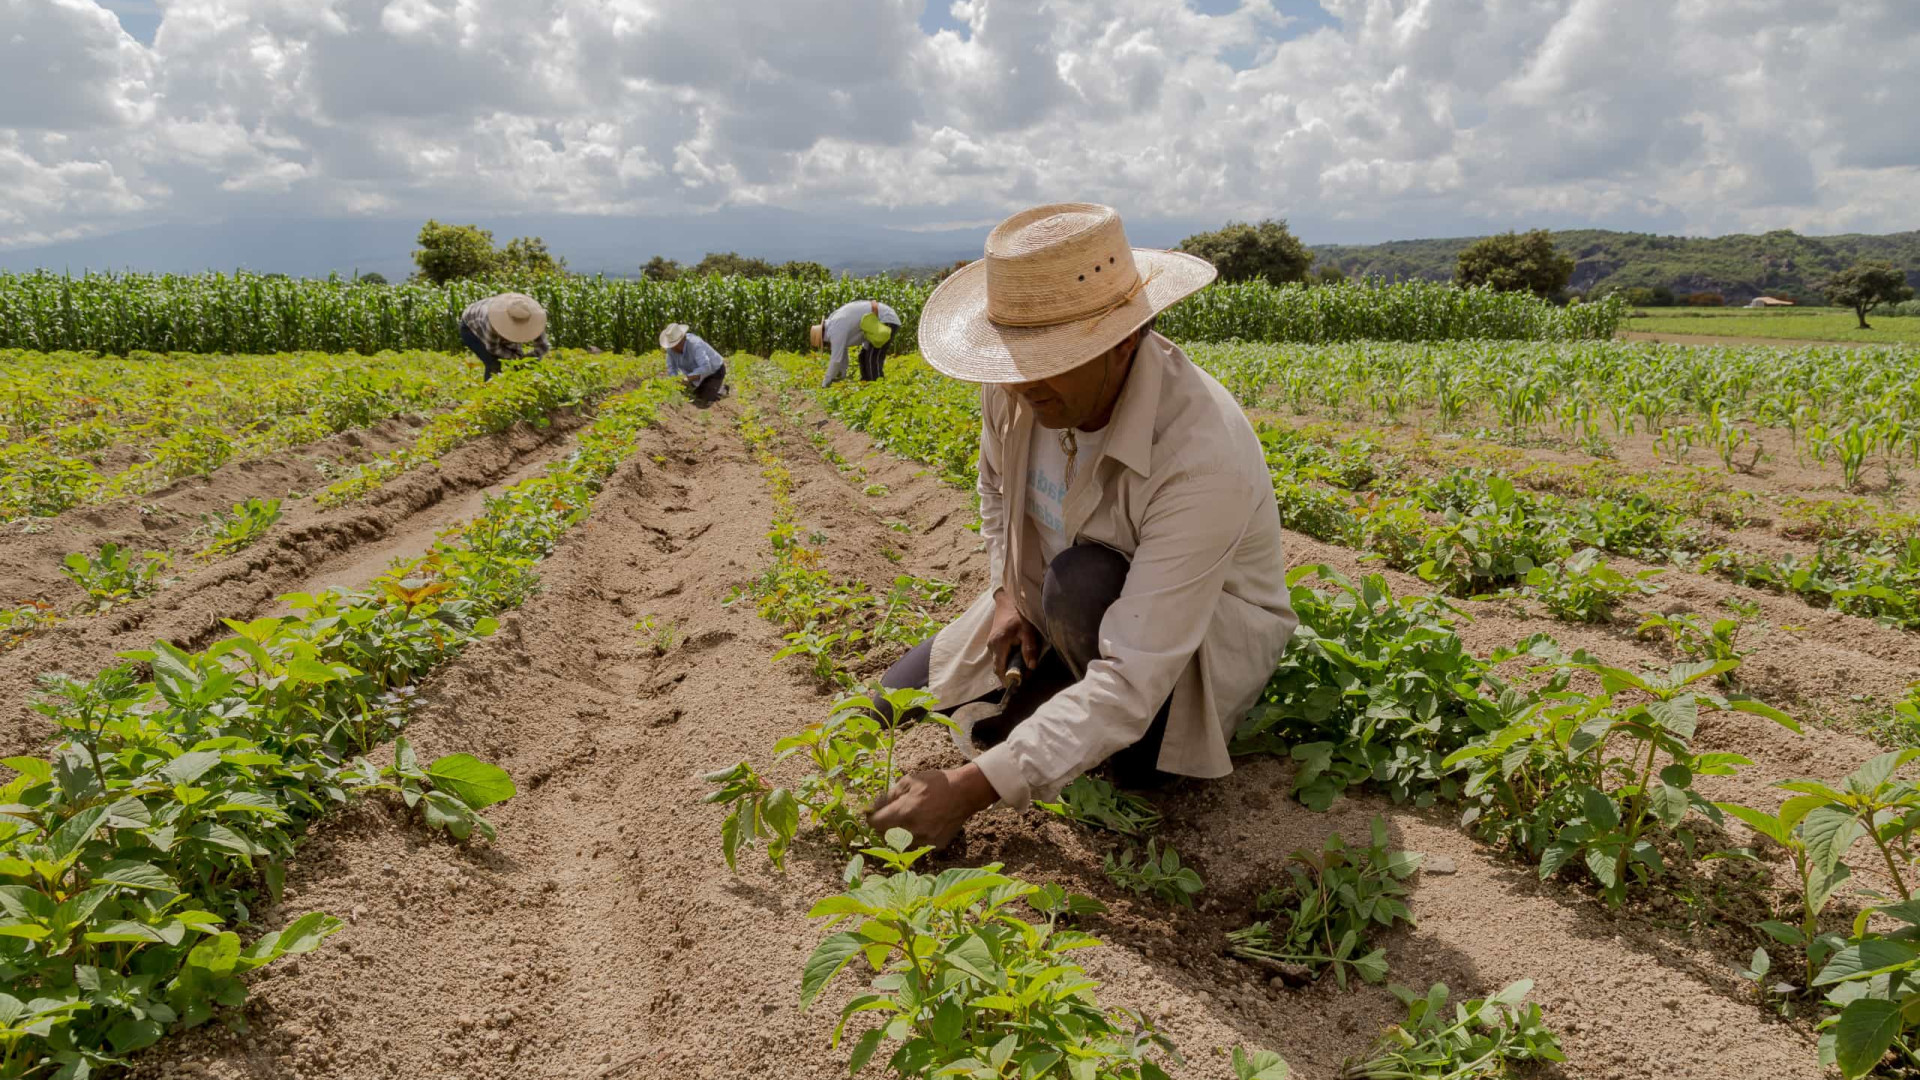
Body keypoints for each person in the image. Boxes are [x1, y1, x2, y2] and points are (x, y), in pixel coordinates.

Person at [867, 202, 1297, 850]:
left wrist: (968, 790)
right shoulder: (1016, 388)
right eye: (1015, 358)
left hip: (1177, 655)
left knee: (1080, 583)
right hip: (1052, 606)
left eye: (1049, 357)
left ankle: (1123, 760)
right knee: (886, 702)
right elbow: (992, 486)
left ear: (1123, 339)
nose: (1020, 381)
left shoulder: (1202, 456)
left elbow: (1130, 682)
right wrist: (1006, 590)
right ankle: (1050, 687)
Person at [457, 293, 551, 380]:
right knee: (493, 363)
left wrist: (529, 359)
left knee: (519, 363)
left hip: (485, 320)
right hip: (470, 327)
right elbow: (493, 348)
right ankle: (491, 393)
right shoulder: (493, 322)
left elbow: (543, 347)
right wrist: (516, 358)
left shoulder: (533, 318)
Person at [812, 299, 901, 387]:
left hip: (886, 319)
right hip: (873, 325)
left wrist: (825, 383)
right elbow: (843, 356)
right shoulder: (833, 323)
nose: (828, 346)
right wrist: (842, 376)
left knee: (872, 357)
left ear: (823, 338)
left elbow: (836, 360)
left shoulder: (835, 330)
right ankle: (867, 386)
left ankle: (879, 389)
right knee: (863, 356)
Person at [659, 323, 728, 404]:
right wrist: (675, 381)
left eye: (675, 345)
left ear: (682, 339)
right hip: (696, 375)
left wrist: (688, 378)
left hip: (715, 371)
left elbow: (706, 366)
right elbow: (671, 368)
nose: (673, 348)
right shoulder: (671, 350)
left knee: (705, 398)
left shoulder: (695, 344)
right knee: (693, 395)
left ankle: (722, 390)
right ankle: (708, 388)